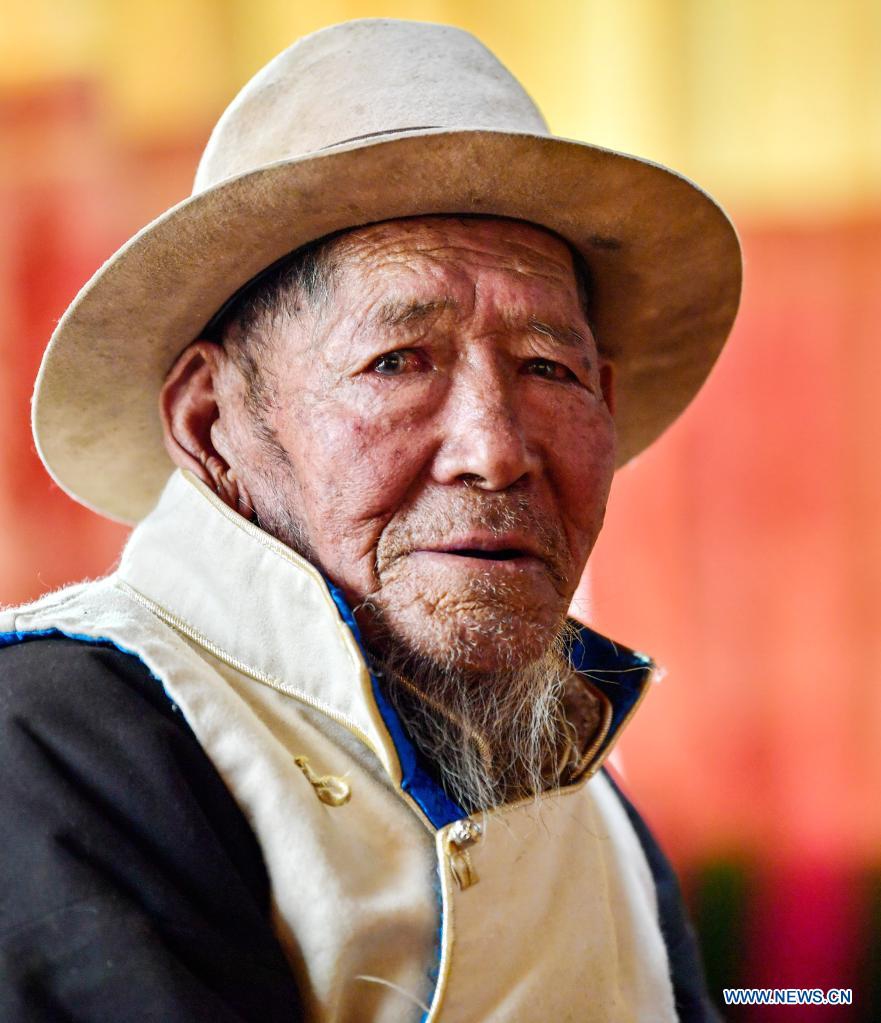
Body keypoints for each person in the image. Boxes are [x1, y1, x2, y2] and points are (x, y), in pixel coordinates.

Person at [0, 18, 740, 1023]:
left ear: (604, 401)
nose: (494, 447)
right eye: (397, 361)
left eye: (548, 368)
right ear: (211, 425)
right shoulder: (64, 741)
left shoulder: (594, 813)